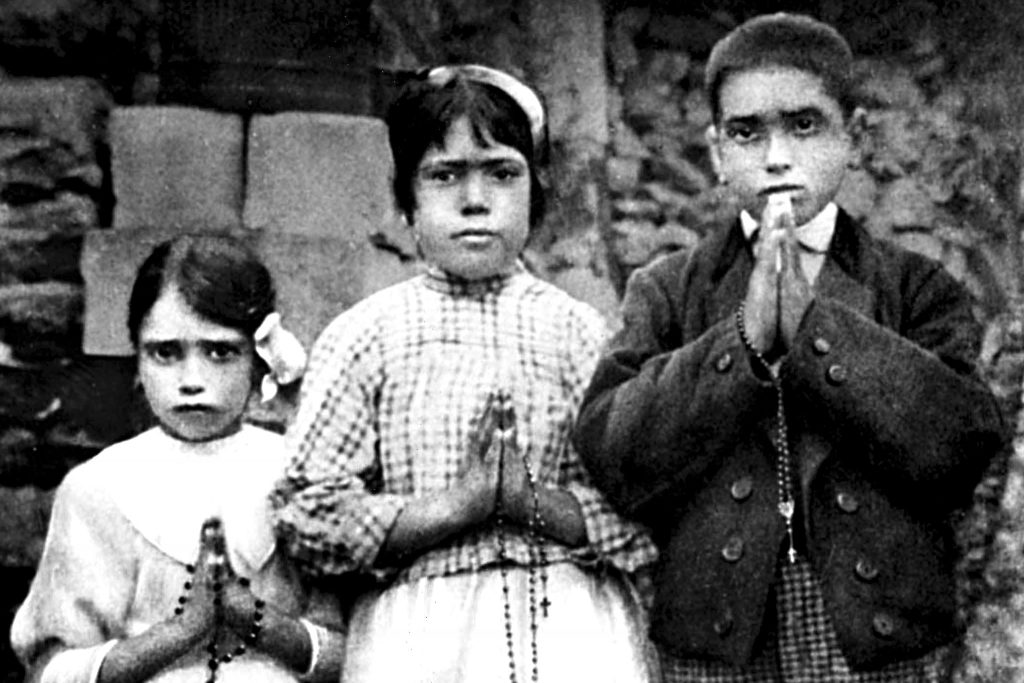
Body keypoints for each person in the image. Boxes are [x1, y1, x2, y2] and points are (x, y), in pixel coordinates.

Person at [572, 13, 1007, 683]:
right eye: (747, 133)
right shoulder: (666, 289)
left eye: (804, 125)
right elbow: (616, 454)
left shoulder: (917, 285)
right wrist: (739, 340)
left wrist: (816, 331)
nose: (776, 155)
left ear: (854, 137)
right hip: (720, 644)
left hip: (874, 640)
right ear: (717, 151)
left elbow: (959, 447)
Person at [270, 64, 659, 682]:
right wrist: (459, 506)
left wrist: (528, 502)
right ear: (407, 200)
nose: (475, 201)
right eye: (445, 175)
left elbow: (641, 506)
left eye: (502, 173)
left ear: (538, 190)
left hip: (572, 629)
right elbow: (309, 512)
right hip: (417, 634)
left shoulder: (584, 334)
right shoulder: (366, 336)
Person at [11, 235, 345, 683]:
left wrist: (256, 621)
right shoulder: (99, 487)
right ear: (138, 357)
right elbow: (49, 670)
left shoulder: (301, 474)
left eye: (220, 352)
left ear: (258, 358)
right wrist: (179, 632)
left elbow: (352, 652)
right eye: (165, 353)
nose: (192, 380)